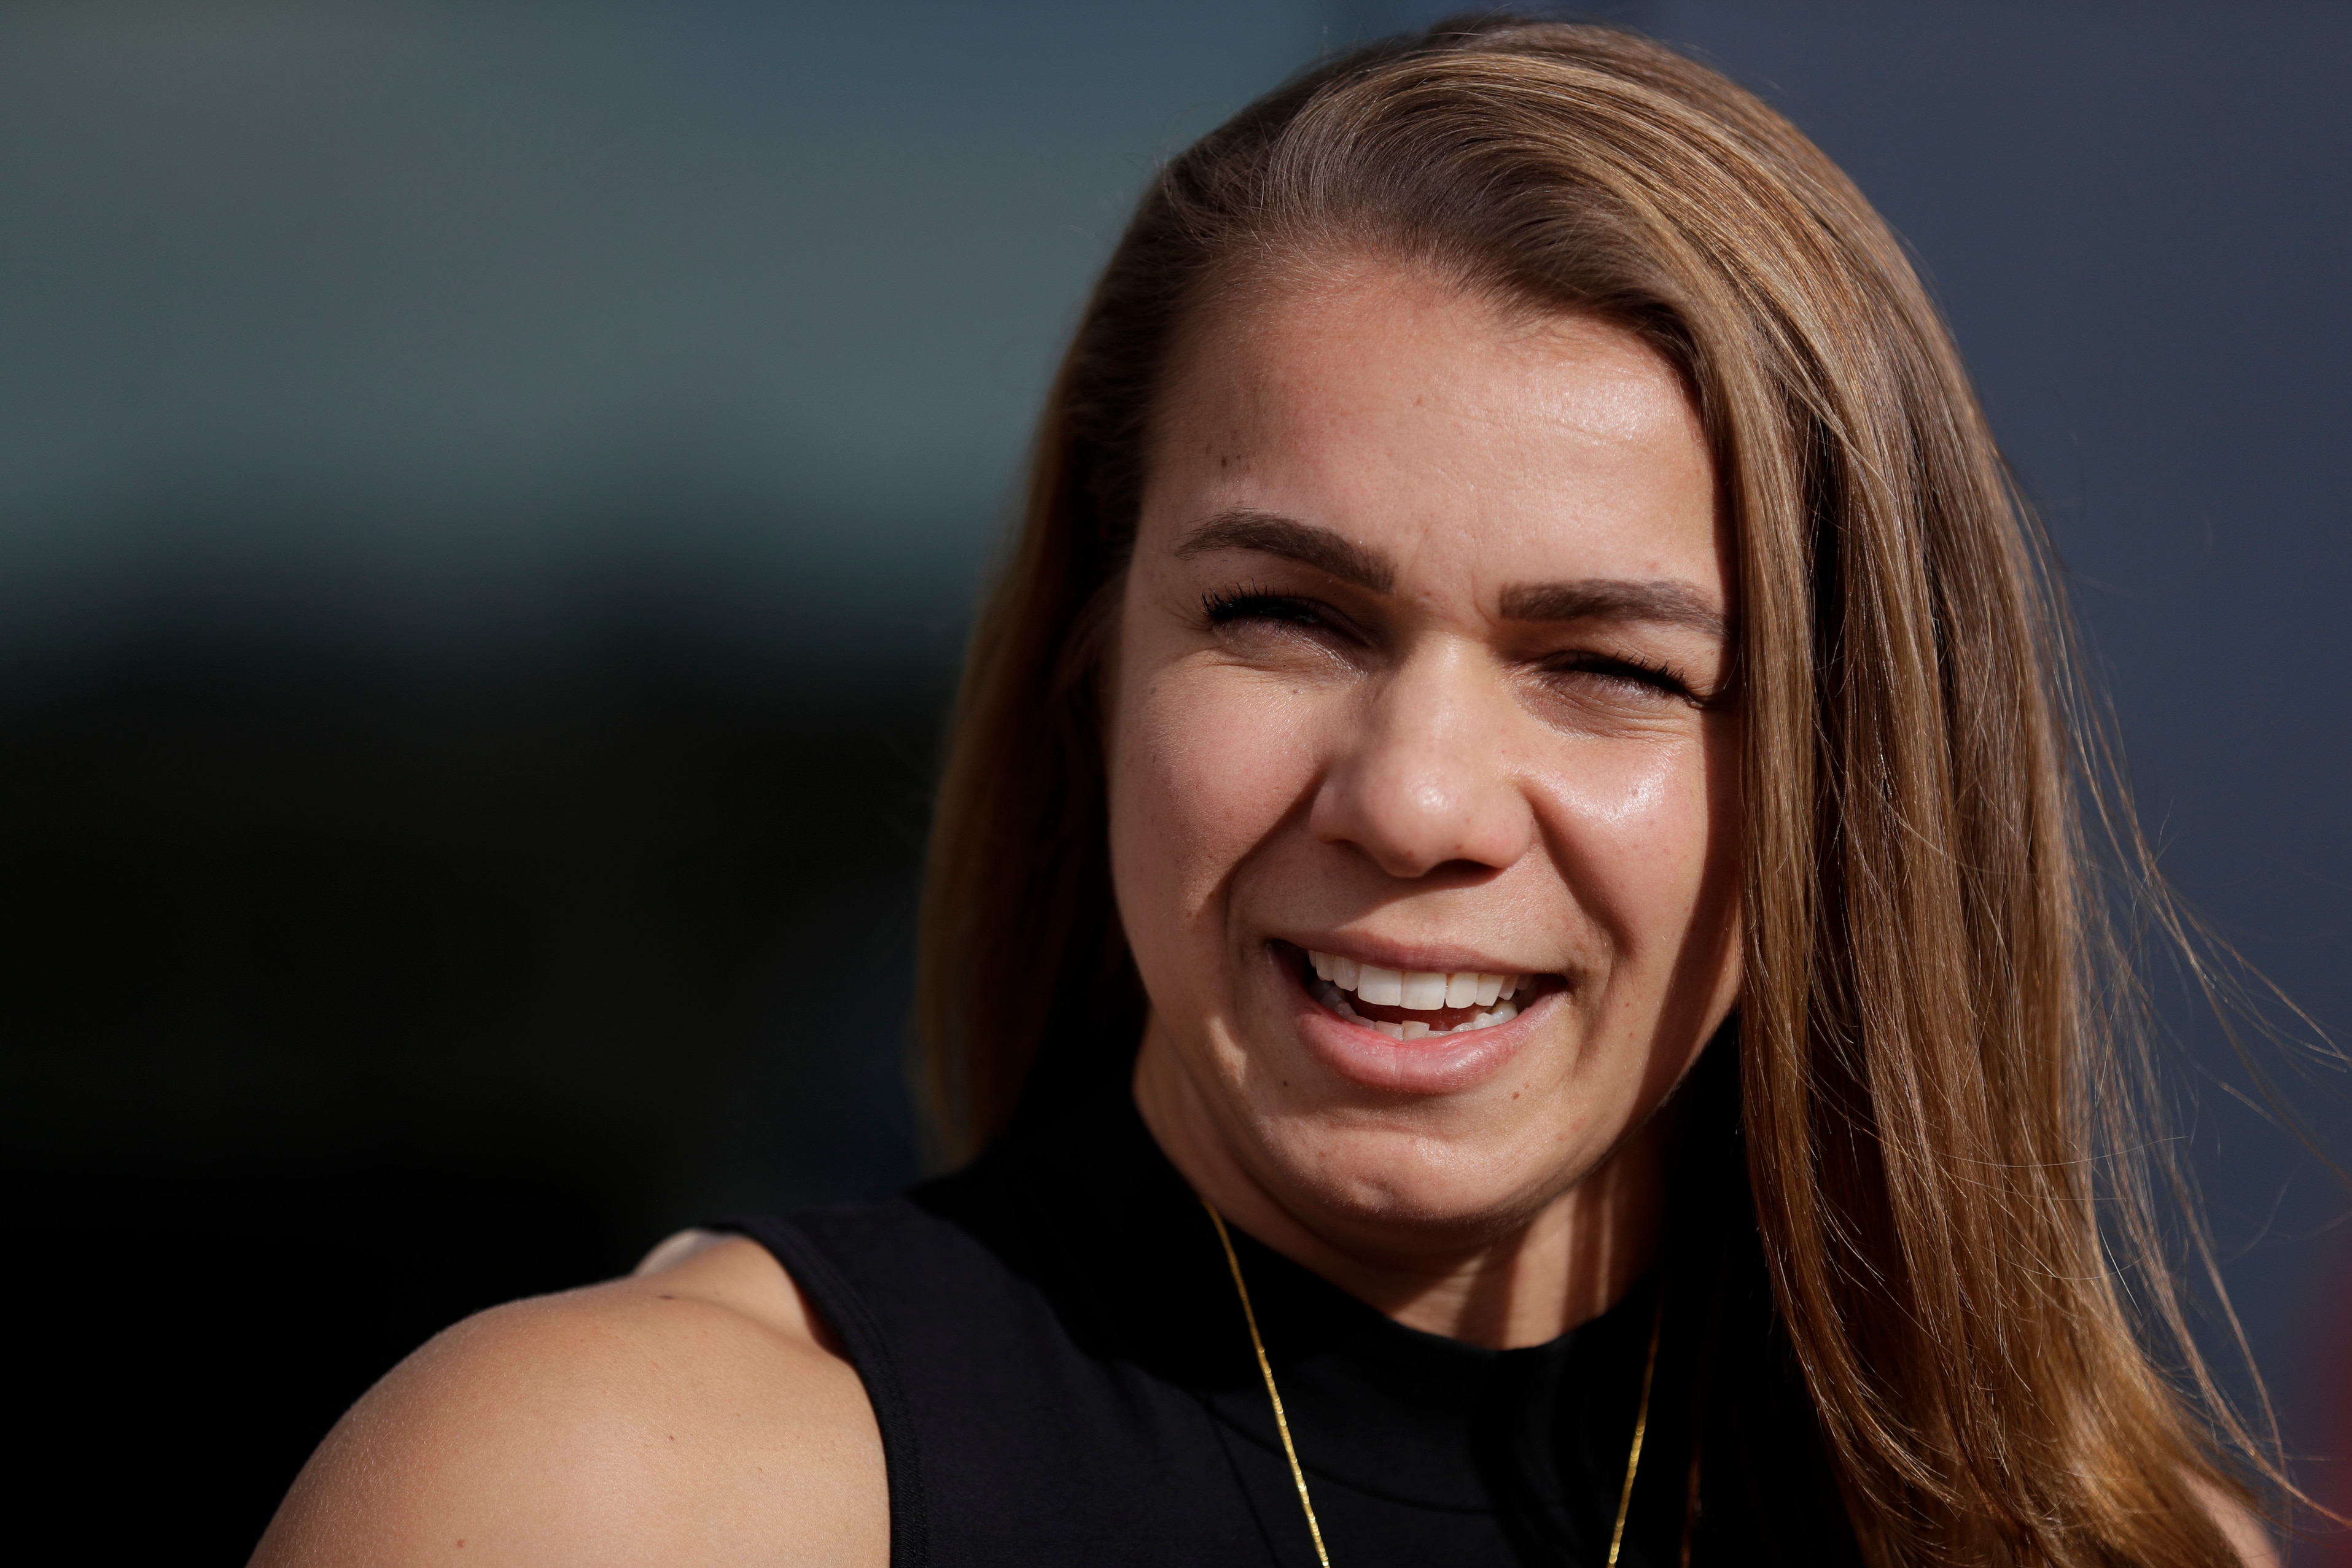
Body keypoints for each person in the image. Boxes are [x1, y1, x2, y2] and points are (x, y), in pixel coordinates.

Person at [252, 17, 2285, 1566]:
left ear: (1848, 780)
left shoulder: (2104, 1541)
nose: (1415, 800)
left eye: (1609, 667)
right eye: (1291, 617)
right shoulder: (632, 1494)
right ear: (1093, 658)